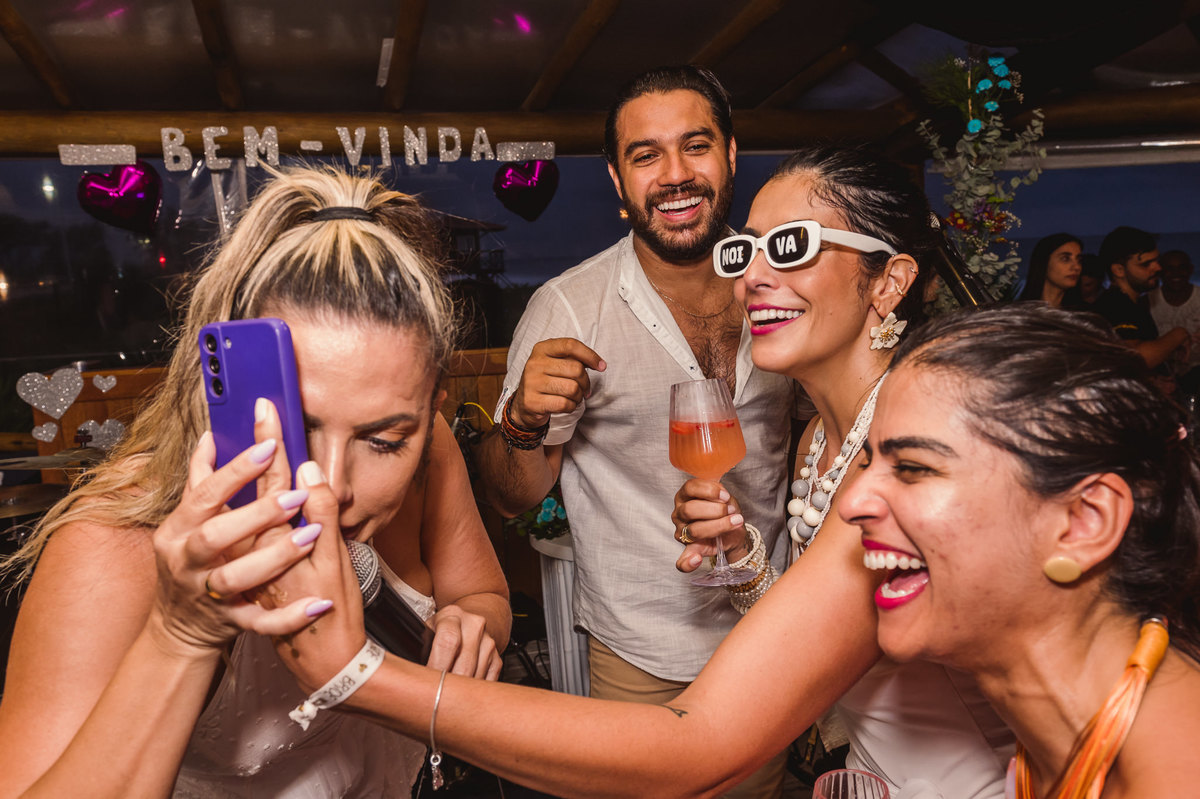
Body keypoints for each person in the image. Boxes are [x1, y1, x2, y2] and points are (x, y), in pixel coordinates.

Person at [227, 145, 1012, 799]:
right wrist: (742, 559)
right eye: (749, 250)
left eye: (793, 247)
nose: (755, 275)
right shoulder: (821, 448)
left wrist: (361, 675)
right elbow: (832, 644)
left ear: (891, 280)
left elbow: (701, 743)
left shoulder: (907, 451)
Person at [0, 166, 511, 798]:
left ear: (429, 401)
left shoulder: (429, 443)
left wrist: (473, 624)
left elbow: (485, 593)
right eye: (300, 427)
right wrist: (178, 633)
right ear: (231, 401)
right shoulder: (113, 543)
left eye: (382, 441)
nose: (329, 488)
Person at [474, 64, 798, 796]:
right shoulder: (570, 307)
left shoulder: (783, 289)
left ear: (732, 156)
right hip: (644, 657)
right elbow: (509, 497)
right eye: (646, 155)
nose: (675, 174)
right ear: (619, 183)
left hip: (777, 638)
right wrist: (523, 423)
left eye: (696, 146)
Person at [842, 302, 1200, 798]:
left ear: (1083, 522)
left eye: (913, 467)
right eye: (868, 464)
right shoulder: (1050, 748)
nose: (851, 503)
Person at [1092, 225, 1188, 369]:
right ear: (1119, 270)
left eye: (1157, 260)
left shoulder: (1131, 303)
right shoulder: (1116, 305)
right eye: (1146, 264)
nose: (1158, 268)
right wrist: (1179, 334)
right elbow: (1137, 358)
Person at [1148, 250, 1200, 393]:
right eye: (1169, 269)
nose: (1176, 274)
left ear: (1190, 270)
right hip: (1160, 379)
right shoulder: (1146, 302)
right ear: (1160, 272)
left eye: (1182, 268)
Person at [1016, 232, 1083, 307]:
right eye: (1065, 259)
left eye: (1079, 260)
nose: (1077, 267)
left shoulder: (1084, 315)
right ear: (1044, 263)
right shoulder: (1019, 314)